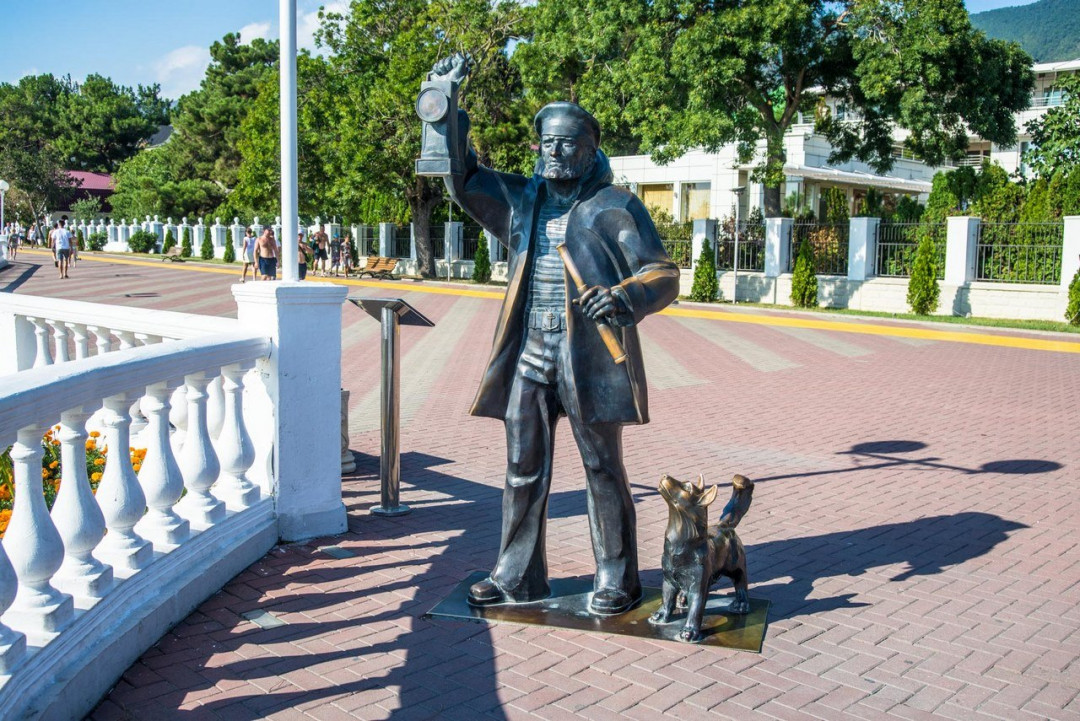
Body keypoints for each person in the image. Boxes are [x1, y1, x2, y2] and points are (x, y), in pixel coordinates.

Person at [427, 55, 679, 615]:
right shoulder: (523, 199)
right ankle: (517, 577)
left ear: (591, 150)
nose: (556, 152)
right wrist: (448, 108)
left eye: (568, 143)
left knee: (601, 468)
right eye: (548, 143)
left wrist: (625, 296)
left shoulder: (616, 206)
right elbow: (463, 178)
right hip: (531, 352)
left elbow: (663, 273)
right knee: (522, 467)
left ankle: (618, 578)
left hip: (588, 355)